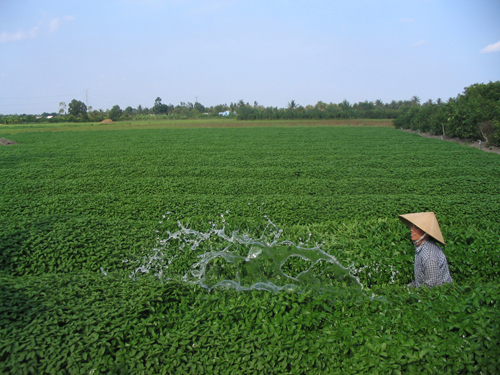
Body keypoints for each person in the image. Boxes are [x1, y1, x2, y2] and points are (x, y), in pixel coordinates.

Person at [399, 212, 452, 288]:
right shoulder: (421, 248)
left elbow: (432, 284)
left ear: (426, 233)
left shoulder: (429, 254)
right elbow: (420, 280)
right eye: (412, 226)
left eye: (416, 228)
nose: (412, 230)